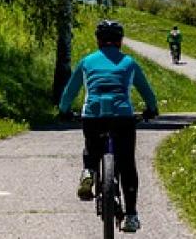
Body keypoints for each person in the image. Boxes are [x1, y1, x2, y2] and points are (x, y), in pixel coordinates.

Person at [58, 20, 159, 233]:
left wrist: (64, 110)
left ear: (98, 40)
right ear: (120, 41)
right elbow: (146, 91)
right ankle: (131, 216)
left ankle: (89, 171)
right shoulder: (129, 63)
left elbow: (70, 90)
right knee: (127, 164)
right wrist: (151, 109)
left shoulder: (87, 62)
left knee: (92, 146)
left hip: (93, 114)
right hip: (122, 116)